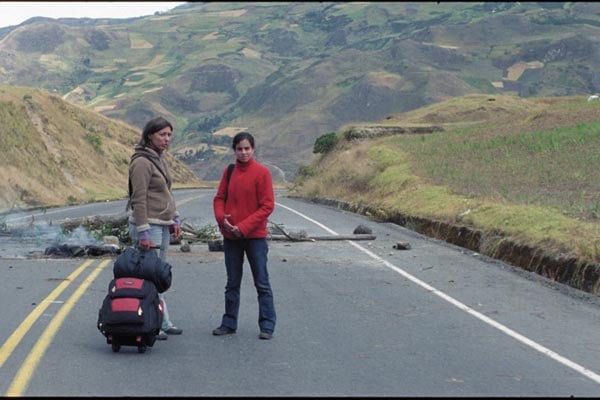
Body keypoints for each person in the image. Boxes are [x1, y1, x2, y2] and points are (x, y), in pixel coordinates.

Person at [212, 131, 276, 340]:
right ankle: (229, 322)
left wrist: (244, 227)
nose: (244, 152)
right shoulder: (229, 171)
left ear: (253, 149)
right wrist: (223, 220)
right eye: (239, 149)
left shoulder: (262, 173)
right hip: (231, 237)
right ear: (234, 150)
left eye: (247, 148)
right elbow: (219, 198)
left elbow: (267, 206)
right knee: (232, 282)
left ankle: (267, 324)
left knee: (262, 282)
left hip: (255, 236)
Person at [127, 116, 183, 340]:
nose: (167, 139)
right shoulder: (142, 162)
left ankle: (163, 321)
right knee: (148, 277)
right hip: (148, 226)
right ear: (150, 135)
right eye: (162, 134)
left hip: (161, 224)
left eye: (169, 135)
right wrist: (143, 231)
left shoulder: (158, 159)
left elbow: (166, 192)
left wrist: (175, 218)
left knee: (157, 276)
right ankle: (152, 323)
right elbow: (138, 198)